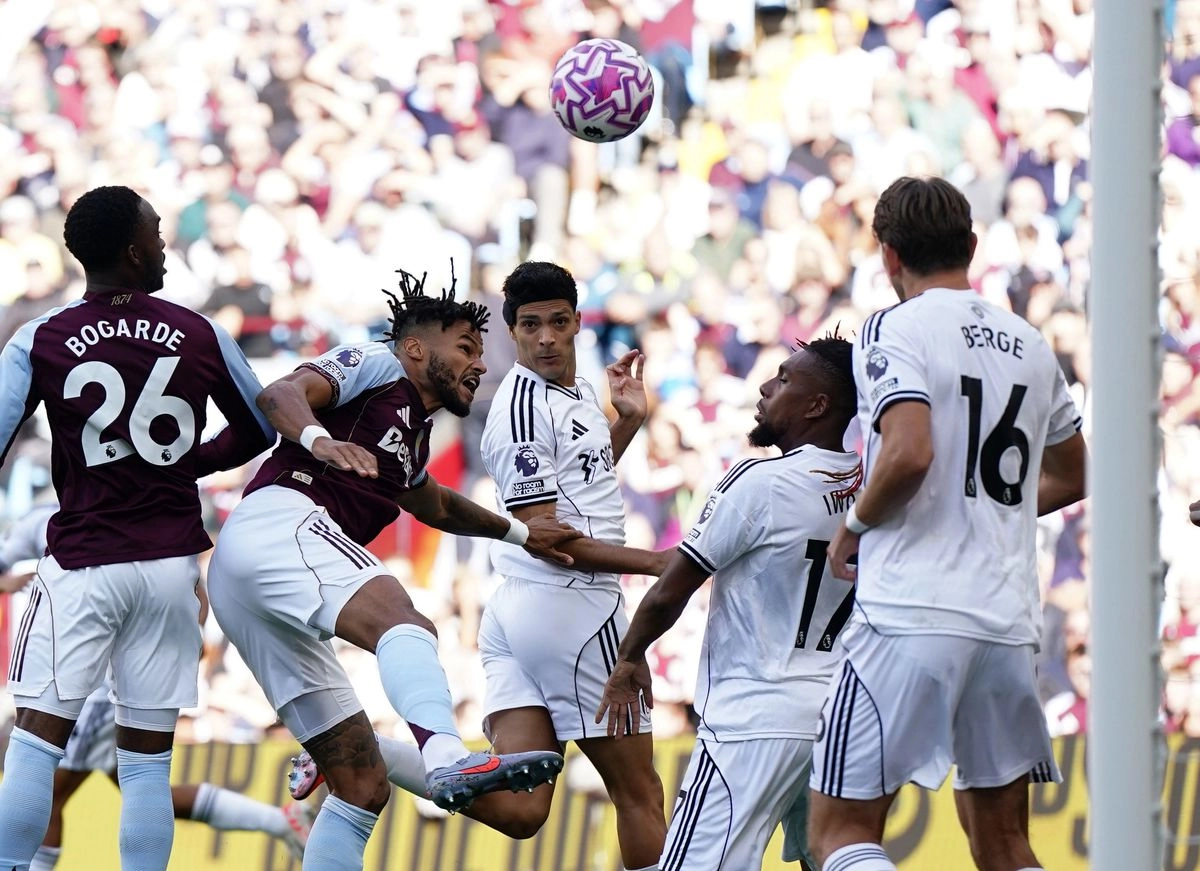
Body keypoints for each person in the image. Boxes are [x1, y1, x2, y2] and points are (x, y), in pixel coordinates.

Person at [288, 261, 672, 871]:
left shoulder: (574, 392)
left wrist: (625, 423)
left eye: (557, 322)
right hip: (571, 604)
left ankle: (365, 750)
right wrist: (660, 562)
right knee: (640, 792)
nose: (545, 338)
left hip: (521, 612)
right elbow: (549, 539)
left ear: (578, 322)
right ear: (511, 333)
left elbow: (583, 482)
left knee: (522, 810)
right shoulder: (520, 409)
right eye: (530, 326)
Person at [205, 267, 577, 871]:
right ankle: (447, 755)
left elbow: (436, 506)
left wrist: (519, 532)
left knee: (361, 785)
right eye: (465, 349)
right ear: (415, 349)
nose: (479, 364)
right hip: (281, 519)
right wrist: (321, 442)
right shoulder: (378, 364)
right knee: (405, 623)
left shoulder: (414, 434)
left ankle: (413, 758)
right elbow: (278, 394)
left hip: (248, 578)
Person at [808, 176, 1088, 871]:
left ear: (888, 255)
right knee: (1004, 844)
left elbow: (909, 452)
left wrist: (855, 525)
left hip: (909, 612)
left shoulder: (893, 327)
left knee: (840, 833)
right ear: (971, 244)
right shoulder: (1030, 343)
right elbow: (1075, 473)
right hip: (1005, 623)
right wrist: (986, 507)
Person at [0, 185, 276, 871]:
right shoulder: (198, 331)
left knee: (33, 746)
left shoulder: (40, 337)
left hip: (83, 563)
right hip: (169, 570)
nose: (164, 245)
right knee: (147, 765)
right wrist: (188, 462)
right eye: (155, 232)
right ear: (131, 250)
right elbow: (260, 424)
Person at [596, 334, 863, 871]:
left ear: (818, 406)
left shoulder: (760, 480)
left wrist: (628, 659)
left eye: (784, 380)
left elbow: (672, 588)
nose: (764, 388)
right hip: (835, 716)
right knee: (836, 859)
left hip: (751, 718)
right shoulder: (871, 486)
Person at [0, 503, 316, 869]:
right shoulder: (42, 520)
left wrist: (193, 631)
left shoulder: (137, 507)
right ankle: (281, 821)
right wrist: (7, 582)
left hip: (98, 688)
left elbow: (193, 586)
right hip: (78, 674)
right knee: (144, 785)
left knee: (54, 788)